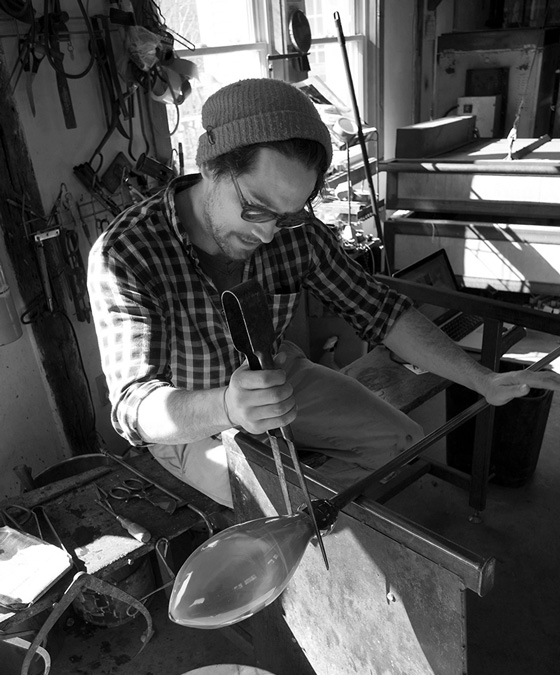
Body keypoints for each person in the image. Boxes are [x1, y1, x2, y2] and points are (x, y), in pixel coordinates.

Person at [87, 77, 560, 508]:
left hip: (276, 376)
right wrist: (225, 407)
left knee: (399, 441)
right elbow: (134, 408)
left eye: (288, 214)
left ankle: (313, 509)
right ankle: (301, 514)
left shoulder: (297, 233)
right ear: (209, 164)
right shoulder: (127, 254)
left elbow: (381, 312)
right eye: (256, 209)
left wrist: (482, 380)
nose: (271, 235)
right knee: (283, 512)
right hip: (194, 417)